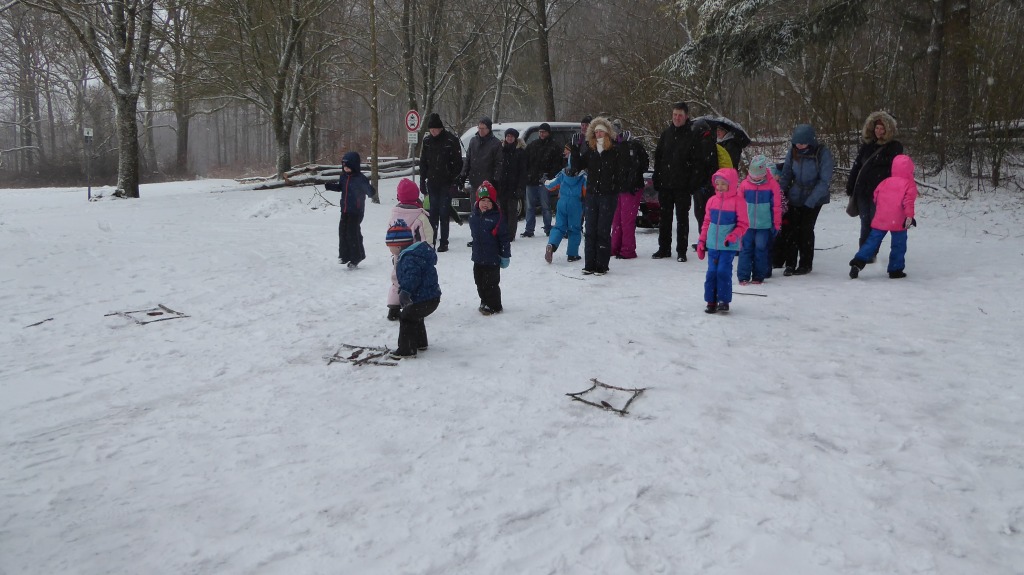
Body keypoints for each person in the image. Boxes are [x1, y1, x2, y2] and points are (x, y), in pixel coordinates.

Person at [652, 102, 716, 262]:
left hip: (683, 186)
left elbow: (698, 163)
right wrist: (657, 178)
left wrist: (692, 183)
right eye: (674, 115)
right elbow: (658, 158)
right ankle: (664, 248)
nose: (677, 118)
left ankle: (681, 251)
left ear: (686, 116)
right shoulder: (666, 134)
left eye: (680, 115)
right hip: (665, 184)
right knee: (664, 218)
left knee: (682, 219)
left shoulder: (692, 136)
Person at [846, 111, 904, 261]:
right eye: (877, 128)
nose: (879, 131)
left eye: (882, 128)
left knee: (875, 222)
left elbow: (895, 169)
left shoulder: (895, 147)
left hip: (880, 192)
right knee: (865, 221)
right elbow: (857, 166)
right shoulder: (867, 145)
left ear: (888, 130)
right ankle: (864, 252)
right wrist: (851, 185)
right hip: (862, 190)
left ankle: (871, 251)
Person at [849, 154, 917, 279]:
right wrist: (909, 216)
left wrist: (883, 208)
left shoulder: (885, 181)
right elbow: (908, 202)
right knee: (899, 245)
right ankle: (895, 270)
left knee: (872, 241)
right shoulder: (909, 184)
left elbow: (876, 197)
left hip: (881, 218)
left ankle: (858, 262)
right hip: (899, 220)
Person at [778, 124, 834, 275]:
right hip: (795, 195)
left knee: (806, 230)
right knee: (791, 230)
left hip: (815, 197)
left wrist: (811, 201)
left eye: (803, 143)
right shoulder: (793, 152)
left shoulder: (822, 153)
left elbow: (824, 181)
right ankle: (790, 263)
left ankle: (805, 264)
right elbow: (786, 174)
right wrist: (779, 193)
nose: (799, 146)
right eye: (797, 143)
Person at [696, 168, 749, 314]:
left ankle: (723, 300)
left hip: (728, 245)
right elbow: (706, 222)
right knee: (711, 273)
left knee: (723, 271)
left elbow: (743, 224)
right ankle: (711, 300)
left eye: (723, 184)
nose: (719, 187)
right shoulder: (712, 201)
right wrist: (701, 241)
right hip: (713, 244)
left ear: (731, 184)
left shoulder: (738, 202)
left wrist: (734, 235)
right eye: (717, 183)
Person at [385, 178, 434, 321]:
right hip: (415, 256)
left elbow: (390, 232)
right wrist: (428, 252)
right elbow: (426, 236)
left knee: (397, 278)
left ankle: (394, 307)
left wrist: (394, 249)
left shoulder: (395, 214)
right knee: (414, 279)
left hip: (397, 253)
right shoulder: (420, 216)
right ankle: (413, 304)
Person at [577, 117, 619, 275]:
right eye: (596, 132)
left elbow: (622, 170)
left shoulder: (614, 151)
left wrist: (614, 187)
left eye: (601, 131)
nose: (599, 134)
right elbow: (577, 166)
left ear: (607, 133)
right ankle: (589, 264)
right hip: (592, 194)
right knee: (590, 229)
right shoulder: (591, 151)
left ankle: (602, 265)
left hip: (608, 195)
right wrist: (575, 149)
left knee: (603, 230)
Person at [419, 113, 464, 253]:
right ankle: (432, 240)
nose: (433, 132)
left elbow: (458, 163)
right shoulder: (427, 141)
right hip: (432, 181)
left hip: (446, 182)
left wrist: (454, 181)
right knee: (433, 213)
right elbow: (423, 162)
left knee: (444, 212)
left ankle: (444, 242)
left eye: (435, 129)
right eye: (431, 129)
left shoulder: (450, 140)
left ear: (440, 128)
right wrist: (422, 180)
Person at [391, 239, 441, 359]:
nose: (390, 250)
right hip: (431, 297)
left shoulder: (409, 258)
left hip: (424, 298)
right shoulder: (416, 254)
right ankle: (420, 342)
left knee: (406, 317)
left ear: (398, 246)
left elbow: (412, 277)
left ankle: (407, 350)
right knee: (415, 316)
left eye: (390, 247)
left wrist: (405, 291)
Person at [736, 155, 782, 285]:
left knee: (761, 249)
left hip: (764, 225)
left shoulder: (772, 185)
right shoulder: (744, 185)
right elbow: (738, 205)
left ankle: (758, 276)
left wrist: (776, 224)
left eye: (759, 176)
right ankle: (743, 276)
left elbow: (776, 206)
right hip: (747, 225)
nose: (756, 179)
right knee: (745, 249)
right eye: (753, 176)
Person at [325, 151, 375, 268]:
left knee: (352, 233)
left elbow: (370, 191)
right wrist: (330, 186)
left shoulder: (360, 178)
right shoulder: (343, 177)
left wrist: (369, 190)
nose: (346, 169)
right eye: (344, 167)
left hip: (356, 211)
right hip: (345, 209)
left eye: (348, 167)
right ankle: (344, 256)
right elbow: (340, 187)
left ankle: (356, 258)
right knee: (342, 232)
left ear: (354, 166)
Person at [458, 117, 502, 248]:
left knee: (489, 211)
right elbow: (468, 160)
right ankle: (476, 237)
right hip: (475, 182)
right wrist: (463, 175)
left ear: (489, 129)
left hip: (489, 184)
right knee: (475, 212)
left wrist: (495, 180)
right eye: (479, 128)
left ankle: (491, 236)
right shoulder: (473, 141)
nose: (481, 131)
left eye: (483, 128)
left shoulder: (495, 143)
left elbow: (499, 164)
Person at [469, 181, 511, 314]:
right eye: (483, 200)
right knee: (479, 282)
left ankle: (495, 305)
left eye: (489, 201)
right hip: (478, 258)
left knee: (490, 284)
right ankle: (484, 300)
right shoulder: (474, 216)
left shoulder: (497, 218)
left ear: (493, 203)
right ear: (478, 201)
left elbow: (504, 238)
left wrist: (505, 255)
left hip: (492, 259)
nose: (485, 203)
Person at [610, 124, 649, 259]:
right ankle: (615, 247)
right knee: (617, 220)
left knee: (626, 220)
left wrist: (633, 178)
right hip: (618, 187)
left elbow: (642, 165)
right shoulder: (613, 146)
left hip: (631, 188)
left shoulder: (633, 146)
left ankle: (628, 249)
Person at [543, 148, 586, 264]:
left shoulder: (563, 173)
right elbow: (588, 189)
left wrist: (545, 181)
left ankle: (551, 244)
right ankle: (572, 254)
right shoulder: (583, 176)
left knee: (559, 226)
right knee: (574, 229)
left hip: (562, 202)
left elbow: (551, 185)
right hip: (575, 204)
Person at [522, 123, 562, 237]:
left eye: (544, 132)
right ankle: (529, 229)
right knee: (530, 207)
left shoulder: (554, 147)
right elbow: (525, 161)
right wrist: (527, 174)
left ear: (548, 133)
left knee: (546, 207)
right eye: (540, 132)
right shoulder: (532, 145)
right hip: (531, 180)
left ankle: (548, 228)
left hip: (545, 181)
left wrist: (549, 176)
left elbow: (557, 164)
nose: (541, 134)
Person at [498, 128, 526, 239]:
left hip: (514, 186)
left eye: (511, 136)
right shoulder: (500, 150)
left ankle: (510, 234)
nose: (509, 138)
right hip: (502, 186)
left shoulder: (520, 152)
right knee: (502, 211)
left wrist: (520, 187)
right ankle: (503, 231)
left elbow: (523, 172)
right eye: (508, 136)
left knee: (512, 211)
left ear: (515, 138)